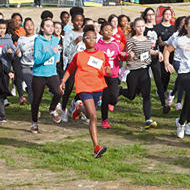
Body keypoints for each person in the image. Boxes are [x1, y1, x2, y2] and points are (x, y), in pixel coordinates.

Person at [60, 25, 110, 158]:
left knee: (89, 115)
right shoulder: (79, 55)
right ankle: (96, 147)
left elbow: (107, 68)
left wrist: (109, 71)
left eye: (94, 37)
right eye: (88, 37)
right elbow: (70, 69)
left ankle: (79, 107)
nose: (91, 40)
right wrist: (63, 81)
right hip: (84, 87)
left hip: (97, 87)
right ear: (84, 40)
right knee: (93, 116)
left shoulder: (102, 55)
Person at [121, 18, 160, 129]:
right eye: (138, 26)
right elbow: (126, 55)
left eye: (142, 26)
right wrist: (129, 55)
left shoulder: (147, 39)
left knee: (146, 95)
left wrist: (157, 53)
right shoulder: (130, 40)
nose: (141, 28)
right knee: (131, 95)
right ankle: (120, 90)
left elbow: (148, 51)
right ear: (134, 27)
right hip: (133, 71)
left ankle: (148, 119)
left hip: (144, 70)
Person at [30, 19, 62, 133]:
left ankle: (52, 109)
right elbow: (37, 59)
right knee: (36, 100)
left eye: (52, 26)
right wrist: (51, 53)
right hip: (39, 74)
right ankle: (34, 123)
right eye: (48, 26)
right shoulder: (38, 40)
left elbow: (56, 52)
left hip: (52, 73)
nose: (51, 28)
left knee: (59, 92)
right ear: (42, 28)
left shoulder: (55, 39)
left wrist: (56, 55)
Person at [96, 22, 124, 128]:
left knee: (113, 99)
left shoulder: (116, 44)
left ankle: (118, 91)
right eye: (106, 30)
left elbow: (121, 56)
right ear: (101, 32)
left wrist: (125, 56)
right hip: (102, 75)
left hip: (114, 74)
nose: (108, 32)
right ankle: (104, 120)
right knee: (106, 99)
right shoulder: (97, 45)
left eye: (110, 30)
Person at [0, 19, 17, 123]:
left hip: (5, 69)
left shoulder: (9, 40)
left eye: (4, 29)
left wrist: (11, 53)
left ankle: (2, 113)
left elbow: (14, 55)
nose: (1, 30)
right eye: (0, 28)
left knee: (2, 91)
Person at [154, 8, 176, 113]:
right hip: (159, 53)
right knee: (161, 71)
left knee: (167, 73)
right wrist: (160, 43)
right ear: (162, 15)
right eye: (166, 14)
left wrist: (167, 44)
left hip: (170, 53)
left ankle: (164, 89)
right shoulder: (157, 27)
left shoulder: (173, 28)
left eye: (169, 14)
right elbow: (156, 39)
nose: (167, 16)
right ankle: (160, 90)